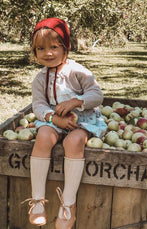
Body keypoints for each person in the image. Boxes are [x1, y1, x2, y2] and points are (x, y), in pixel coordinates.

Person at [23, 18, 107, 229]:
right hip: (55, 121)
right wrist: (52, 118)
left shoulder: (78, 72)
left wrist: (78, 101)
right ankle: (37, 201)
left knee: (74, 142)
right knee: (43, 137)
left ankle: (68, 204)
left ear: (65, 47)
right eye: (41, 48)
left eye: (54, 47)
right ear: (34, 52)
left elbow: (97, 95)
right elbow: (39, 106)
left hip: (83, 121)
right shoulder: (40, 79)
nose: (47, 53)